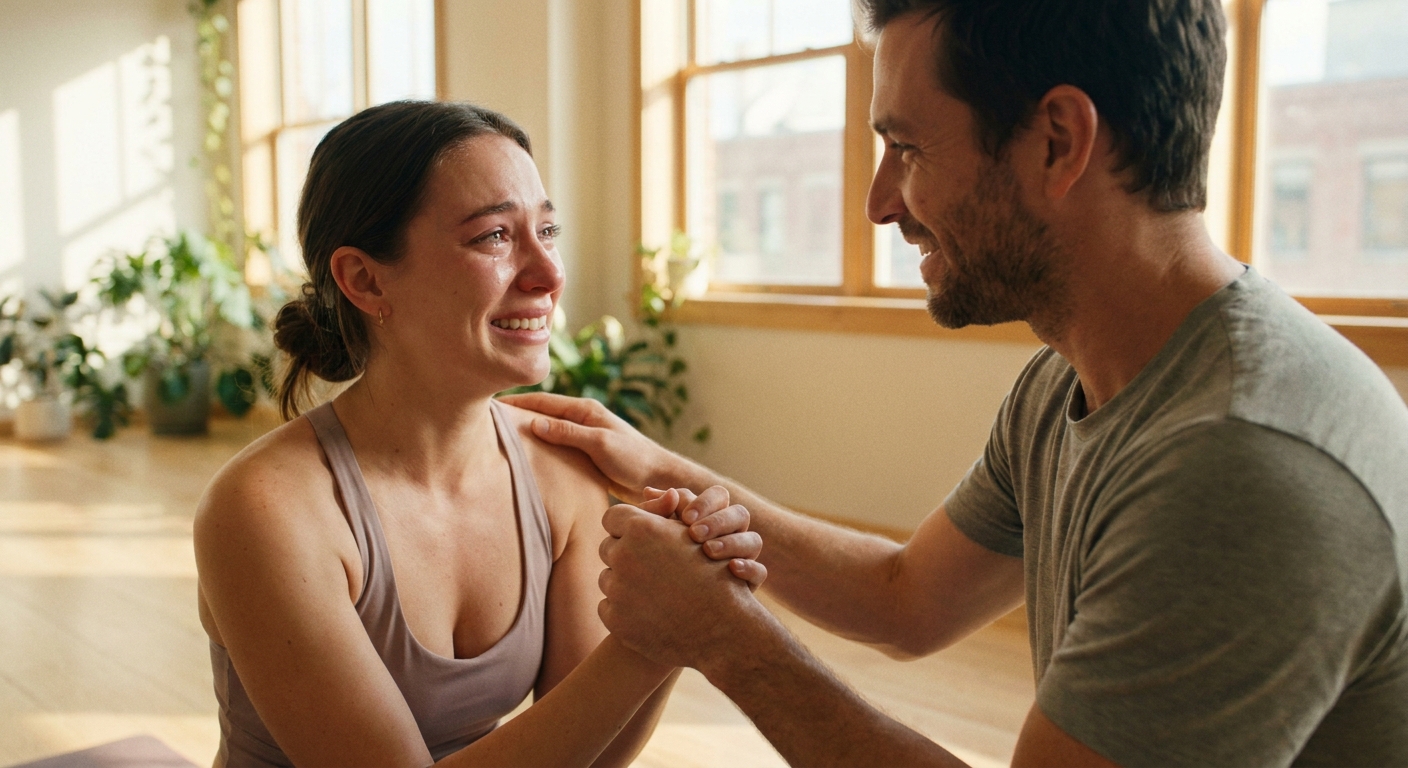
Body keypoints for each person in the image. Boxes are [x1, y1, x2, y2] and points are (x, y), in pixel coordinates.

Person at [503, 0, 1408, 765]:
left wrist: (724, 639)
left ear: (1058, 142)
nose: (879, 202)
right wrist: (663, 468)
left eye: (906, 147)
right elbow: (906, 597)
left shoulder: (1243, 464)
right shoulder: (1070, 382)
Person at [192, 101, 763, 767]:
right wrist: (649, 640)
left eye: (547, 231)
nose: (548, 276)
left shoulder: (557, 468)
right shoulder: (265, 509)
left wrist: (678, 608)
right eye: (494, 236)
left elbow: (594, 757)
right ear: (365, 279)